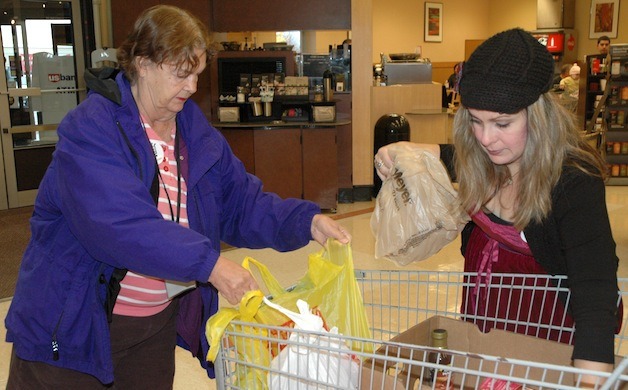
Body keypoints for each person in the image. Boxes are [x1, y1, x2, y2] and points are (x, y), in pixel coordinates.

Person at [5, 5, 350, 389]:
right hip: (72, 327)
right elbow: (121, 225)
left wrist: (305, 221)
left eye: (197, 74)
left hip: (151, 330)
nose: (191, 87)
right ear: (143, 64)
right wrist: (211, 265)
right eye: (181, 74)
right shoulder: (91, 129)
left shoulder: (193, 132)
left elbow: (240, 203)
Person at [374, 28, 620, 385]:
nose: (487, 138)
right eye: (475, 120)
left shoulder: (573, 181)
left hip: (544, 336)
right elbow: (447, 155)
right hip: (484, 323)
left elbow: (596, 293)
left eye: (502, 123)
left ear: (537, 116)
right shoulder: (482, 157)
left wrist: (589, 380)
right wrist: (397, 151)